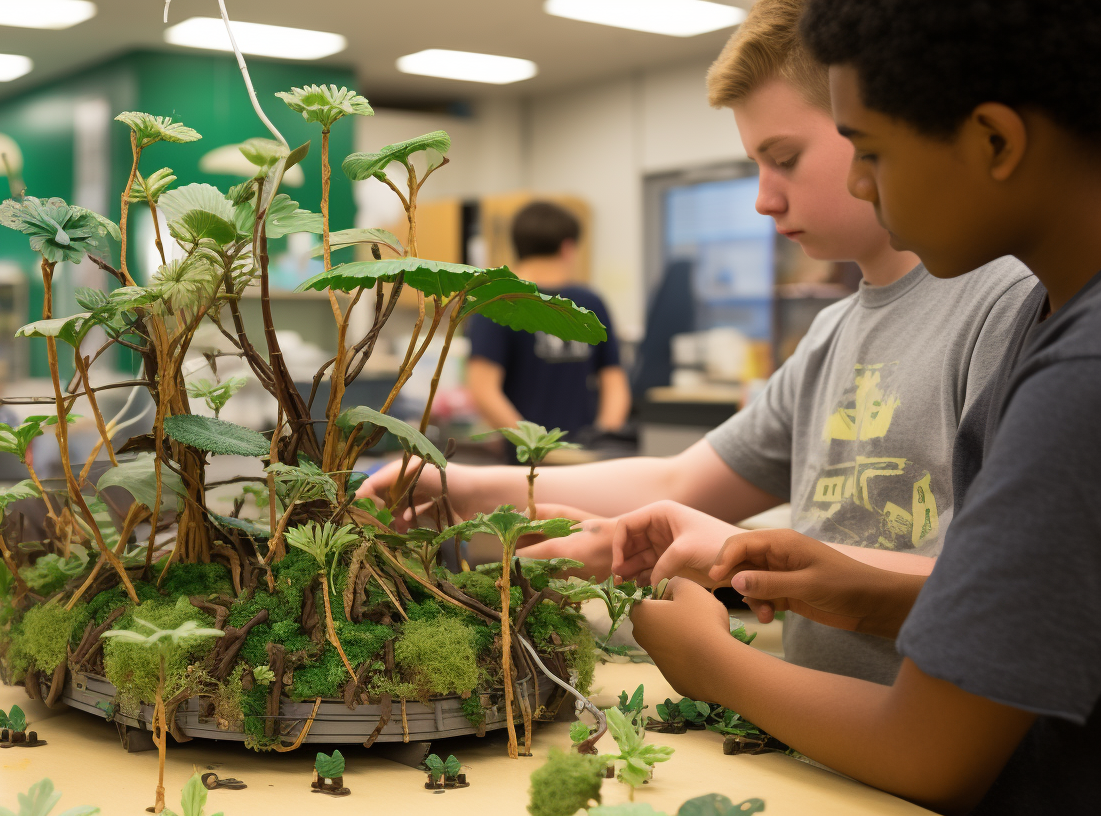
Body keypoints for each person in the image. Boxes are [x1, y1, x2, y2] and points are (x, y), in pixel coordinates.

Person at [359, 0, 1039, 686]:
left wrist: (748, 556)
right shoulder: (834, 331)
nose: (764, 200)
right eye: (756, 165)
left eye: (786, 159)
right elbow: (681, 482)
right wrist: (470, 490)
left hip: (914, 742)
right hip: (817, 736)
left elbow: (1010, 593)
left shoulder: (1006, 302)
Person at [633, 2, 1101, 812]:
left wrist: (712, 665)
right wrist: (864, 589)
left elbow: (927, 752)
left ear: (995, 141)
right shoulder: (1051, 324)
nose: (858, 181)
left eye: (872, 150)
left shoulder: (1078, 375)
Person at [464, 200, 629, 456]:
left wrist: (537, 445)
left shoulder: (496, 300)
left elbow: (483, 389)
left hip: (543, 458)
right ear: (568, 247)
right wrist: (600, 439)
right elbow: (615, 381)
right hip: (546, 461)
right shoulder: (590, 303)